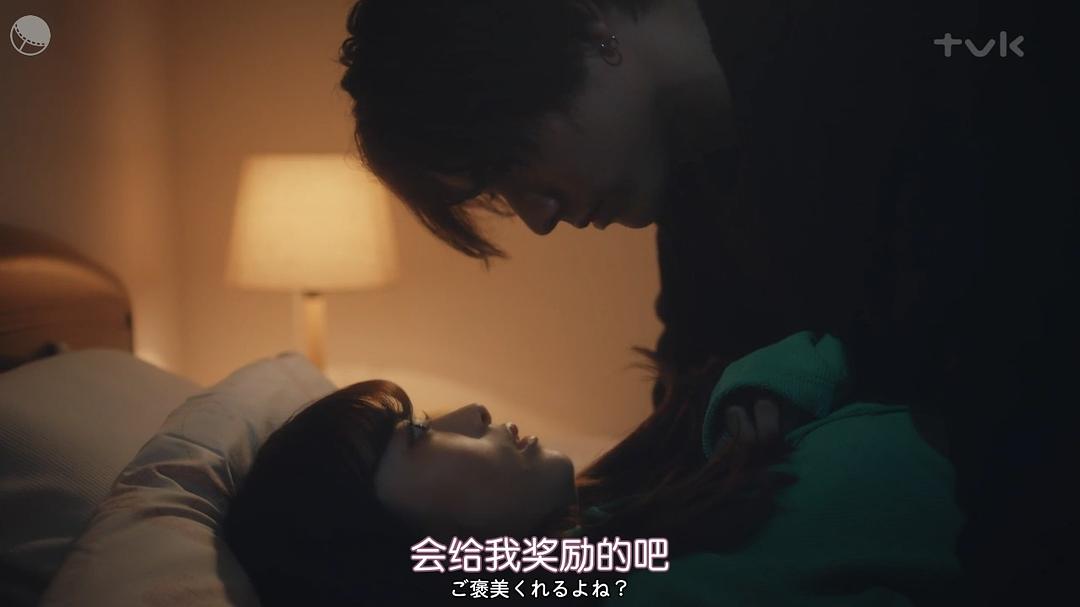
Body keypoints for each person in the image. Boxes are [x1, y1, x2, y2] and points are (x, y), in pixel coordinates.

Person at [335, 2, 1078, 602]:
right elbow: (680, 432)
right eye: (500, 195)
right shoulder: (699, 188)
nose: (537, 218)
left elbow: (1015, 384)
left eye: (509, 164)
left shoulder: (914, 52)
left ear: (590, 27)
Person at [223, 332, 963, 606]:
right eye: (417, 434)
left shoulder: (595, 542)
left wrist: (755, 393)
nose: (473, 412)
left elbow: (843, 344)